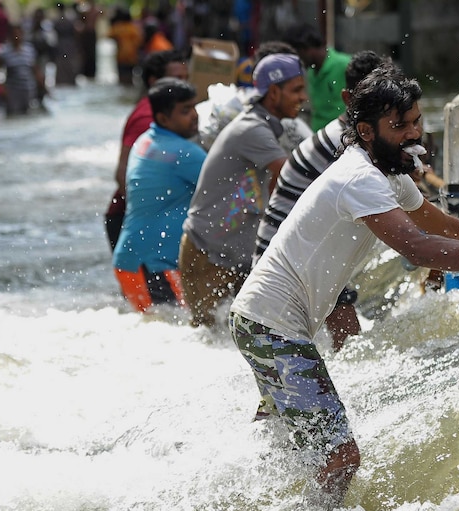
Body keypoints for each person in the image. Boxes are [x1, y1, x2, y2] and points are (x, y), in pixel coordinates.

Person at [228, 64, 459, 509]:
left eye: (416, 121)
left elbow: (443, 224)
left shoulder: (390, 176)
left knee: (291, 450)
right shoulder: (360, 178)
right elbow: (419, 248)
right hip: (270, 327)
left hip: (263, 322)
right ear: (366, 130)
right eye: (400, 126)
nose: (414, 134)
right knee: (340, 458)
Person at [253, 49, 388, 351]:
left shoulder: (355, 141)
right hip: (287, 260)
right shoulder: (344, 144)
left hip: (301, 253)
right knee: (349, 343)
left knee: (336, 344)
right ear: (349, 100)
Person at [178, 53, 308, 328]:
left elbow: (277, 186)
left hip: (231, 252)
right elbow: (293, 177)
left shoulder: (262, 126)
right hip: (207, 253)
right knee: (207, 339)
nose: (304, 97)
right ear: (274, 92)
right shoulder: (253, 129)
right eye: (296, 90)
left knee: (243, 336)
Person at [112, 77, 206, 312]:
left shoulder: (145, 141)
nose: (194, 115)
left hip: (132, 260)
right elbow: (225, 190)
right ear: (163, 118)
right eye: (185, 110)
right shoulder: (185, 153)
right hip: (155, 264)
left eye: (194, 106)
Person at [104, 49, 190, 251]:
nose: (184, 84)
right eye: (177, 79)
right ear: (153, 82)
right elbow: (122, 173)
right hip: (129, 220)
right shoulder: (147, 118)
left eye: (186, 78)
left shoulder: (173, 112)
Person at [283, 22, 350, 132]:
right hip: (318, 136)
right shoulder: (311, 72)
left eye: (296, 55)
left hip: (341, 135)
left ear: (305, 48)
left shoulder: (344, 65)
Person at [0, 24, 46, 116]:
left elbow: (35, 70)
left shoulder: (29, 50)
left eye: (19, 34)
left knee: (27, 117)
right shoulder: (4, 51)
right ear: (10, 35)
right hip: (12, 92)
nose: (17, 37)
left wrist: (43, 85)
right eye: (14, 34)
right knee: (13, 116)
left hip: (28, 90)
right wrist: (2, 89)